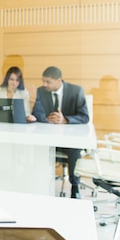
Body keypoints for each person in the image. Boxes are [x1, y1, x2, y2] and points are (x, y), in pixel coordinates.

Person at [29, 66, 89, 198]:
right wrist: (48, 119)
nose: (44, 84)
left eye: (48, 82)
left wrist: (65, 119)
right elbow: (37, 112)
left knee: (74, 148)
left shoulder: (76, 91)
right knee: (38, 146)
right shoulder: (41, 91)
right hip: (49, 138)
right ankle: (39, 183)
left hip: (69, 139)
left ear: (59, 80)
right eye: (43, 81)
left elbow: (84, 117)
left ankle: (75, 186)